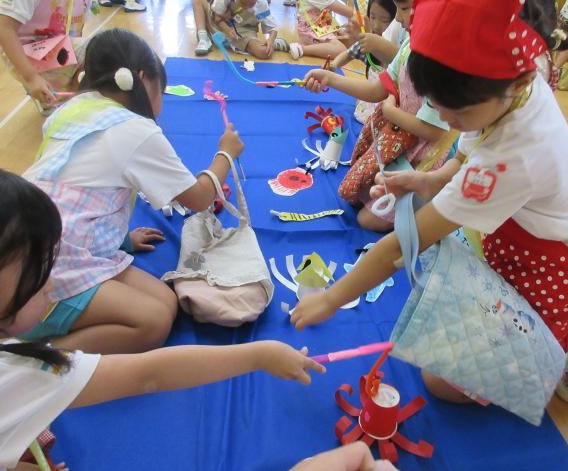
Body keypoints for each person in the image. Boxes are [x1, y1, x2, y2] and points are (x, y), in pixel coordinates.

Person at [293, 0, 568, 406]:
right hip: (508, 248)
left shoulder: (512, 156)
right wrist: (430, 181)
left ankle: (567, 355)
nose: (446, 122)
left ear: (515, 86)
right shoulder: (509, 71)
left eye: (457, 114)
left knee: (440, 382)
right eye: (438, 107)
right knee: (441, 327)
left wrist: (331, 298)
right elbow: (468, 148)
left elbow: (403, 244)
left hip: (547, 276)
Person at [0, 169, 326, 471]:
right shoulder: (18, 375)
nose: (53, 282)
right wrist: (259, 355)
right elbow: (149, 375)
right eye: (39, 272)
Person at [19, 28, 244, 355]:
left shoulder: (72, 108)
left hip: (27, 242)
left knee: (166, 303)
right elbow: (199, 198)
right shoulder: (135, 129)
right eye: (160, 91)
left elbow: (74, 187)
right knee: (154, 323)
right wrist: (226, 153)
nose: (161, 102)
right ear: (141, 78)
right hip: (46, 270)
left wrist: (119, 240)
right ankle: (35, 360)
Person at [303, 0, 449, 232]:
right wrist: (329, 78)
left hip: (421, 154)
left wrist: (391, 112)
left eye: (404, 9)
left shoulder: (440, 62)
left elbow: (435, 132)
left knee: (366, 220)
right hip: (395, 140)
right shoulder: (409, 45)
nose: (398, 19)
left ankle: (427, 204)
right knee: (358, 196)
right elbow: (376, 90)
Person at [330, 0, 400, 123]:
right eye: (373, 17)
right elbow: (348, 54)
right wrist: (334, 65)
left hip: (385, 110)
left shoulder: (396, 49)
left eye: (384, 20)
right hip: (368, 103)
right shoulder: (368, 42)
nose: (376, 25)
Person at [192, 0, 288, 58]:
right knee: (198, 1)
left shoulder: (261, 2)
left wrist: (271, 40)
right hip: (220, 24)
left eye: (252, 4)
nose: (246, 6)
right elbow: (216, 17)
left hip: (243, 32)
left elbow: (272, 27)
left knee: (264, 52)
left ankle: (276, 44)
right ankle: (203, 39)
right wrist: (227, 29)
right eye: (242, 3)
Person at [288, 0, 354, 60]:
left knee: (350, 43)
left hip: (320, 24)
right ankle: (302, 49)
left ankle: (316, 45)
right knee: (341, 51)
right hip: (311, 28)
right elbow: (351, 13)